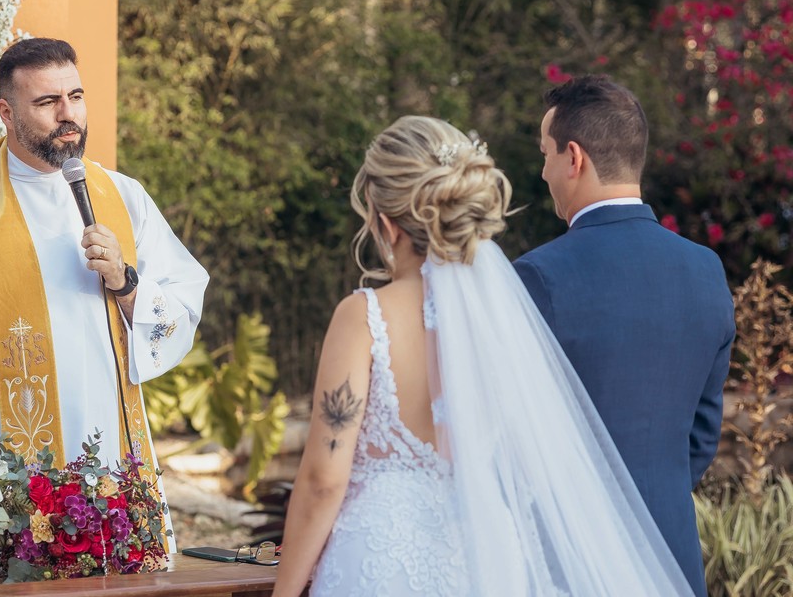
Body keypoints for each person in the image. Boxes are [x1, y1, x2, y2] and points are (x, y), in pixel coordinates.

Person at [272, 116, 693, 597]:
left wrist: (284, 591)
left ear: (384, 220)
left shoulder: (363, 316)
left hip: (379, 563)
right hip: (489, 559)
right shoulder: (502, 321)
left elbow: (325, 479)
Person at [0, 37, 209, 567]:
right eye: (47, 102)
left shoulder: (122, 195)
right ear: (6, 112)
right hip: (12, 469)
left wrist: (127, 284)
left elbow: (182, 306)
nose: (69, 115)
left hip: (113, 457)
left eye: (76, 96)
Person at [513, 75, 735, 596]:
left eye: (545, 154)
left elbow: (510, 433)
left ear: (574, 157)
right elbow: (702, 434)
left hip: (569, 561)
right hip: (671, 557)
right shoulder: (706, 270)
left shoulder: (538, 277)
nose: (543, 171)